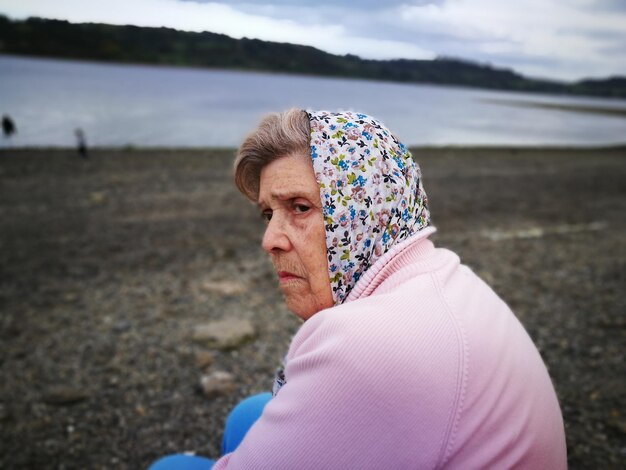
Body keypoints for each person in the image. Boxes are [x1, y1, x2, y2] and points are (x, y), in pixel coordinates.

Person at [150, 110, 567, 469]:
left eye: (299, 207)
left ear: (367, 212)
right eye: (267, 213)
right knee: (248, 414)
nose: (270, 239)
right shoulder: (445, 275)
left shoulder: (365, 345)